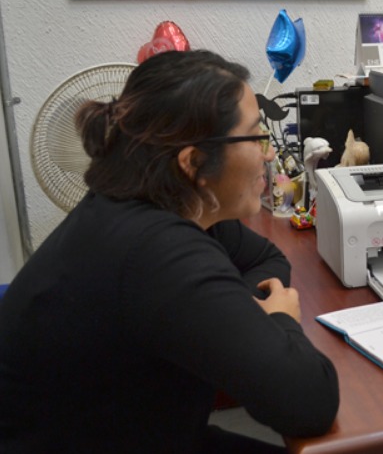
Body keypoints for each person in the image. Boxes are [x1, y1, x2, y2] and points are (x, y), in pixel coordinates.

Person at [0, 50, 339, 452]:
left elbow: (268, 259)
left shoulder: (168, 204)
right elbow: (310, 402)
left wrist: (232, 313)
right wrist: (278, 320)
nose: (269, 153)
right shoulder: (155, 250)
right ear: (193, 162)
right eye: (255, 136)